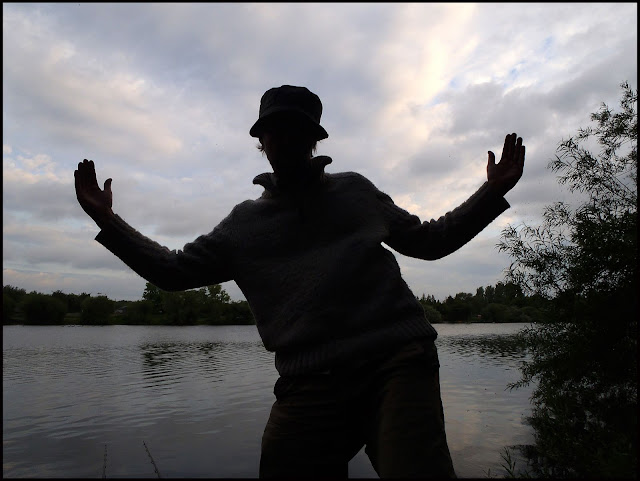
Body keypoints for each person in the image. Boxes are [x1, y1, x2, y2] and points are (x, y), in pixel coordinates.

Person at [75, 85, 525, 478]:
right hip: (308, 382)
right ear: (261, 141)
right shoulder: (243, 226)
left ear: (314, 138)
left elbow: (430, 241)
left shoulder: (355, 192)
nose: (284, 137)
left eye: (296, 128)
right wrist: (107, 221)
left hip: (396, 362)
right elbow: (172, 272)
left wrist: (493, 191)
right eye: (274, 129)